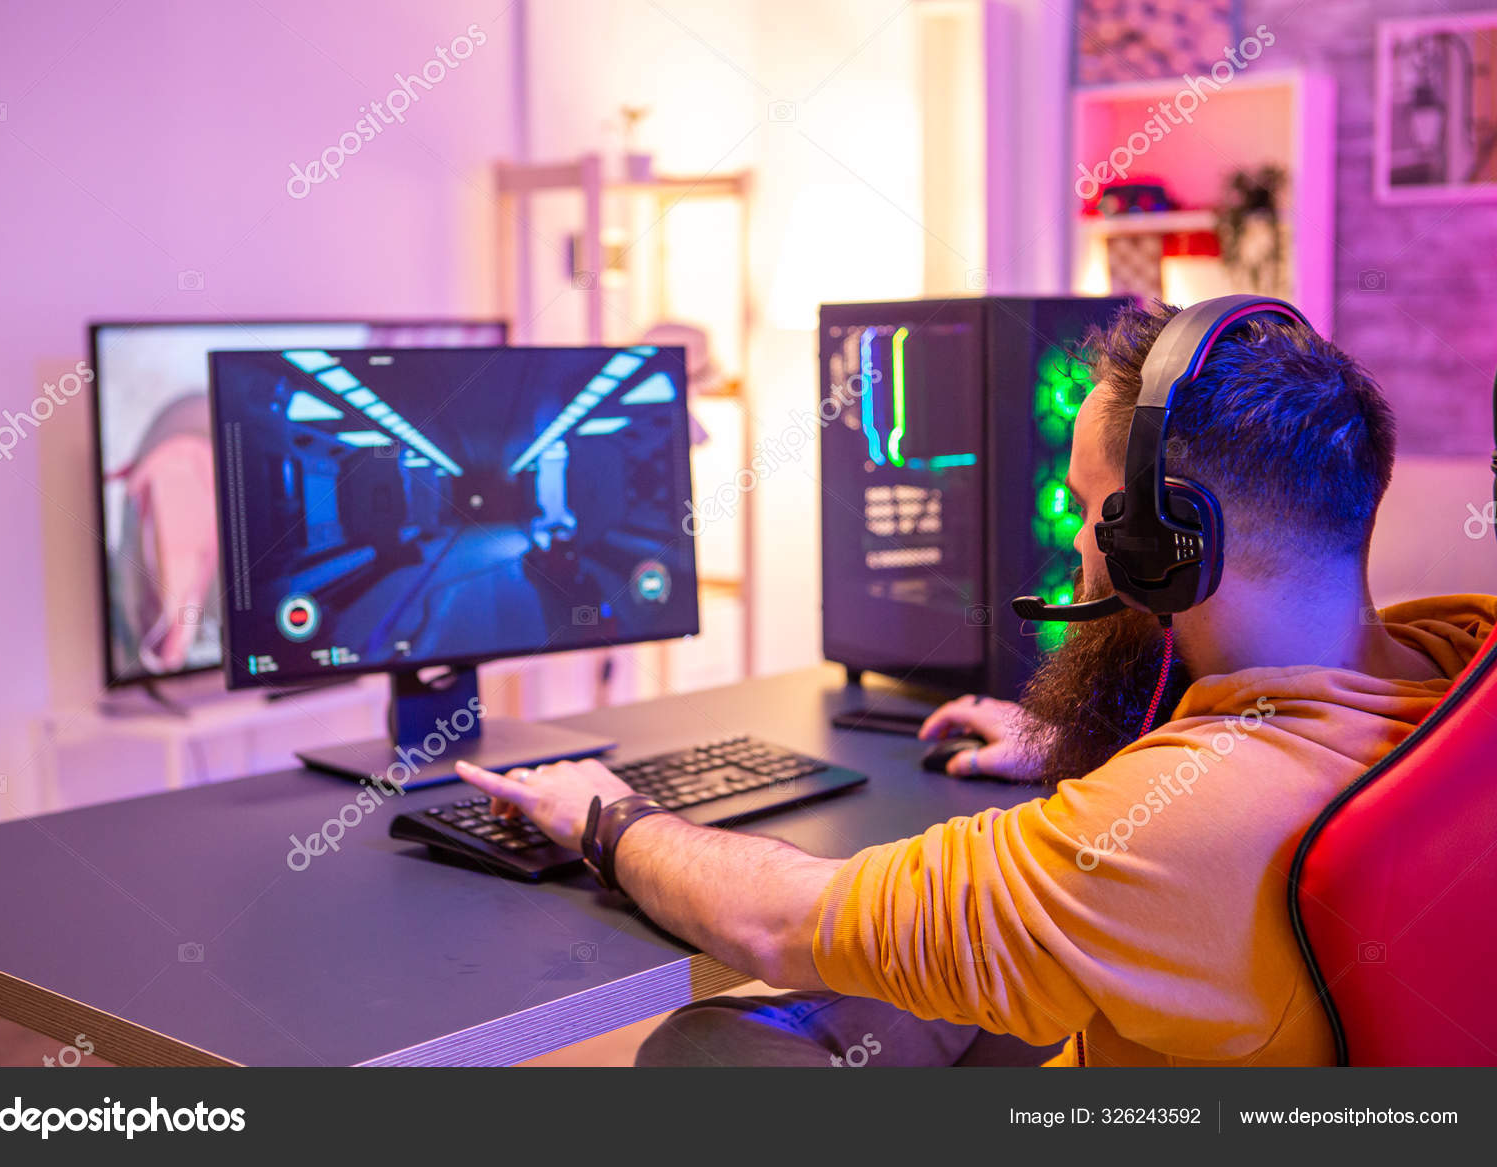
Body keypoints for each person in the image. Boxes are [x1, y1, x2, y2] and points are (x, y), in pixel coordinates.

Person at [455, 300, 1495, 1067]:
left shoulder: (1163, 832)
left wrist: (609, 816)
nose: (1074, 542)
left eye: (1086, 509)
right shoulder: (1455, 660)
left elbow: (777, 921)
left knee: (713, 1053)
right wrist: (1060, 745)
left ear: (1166, 545)